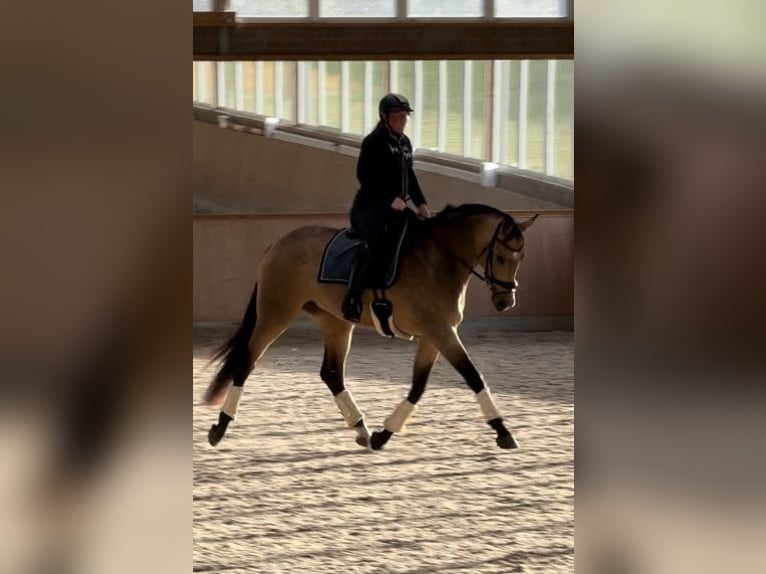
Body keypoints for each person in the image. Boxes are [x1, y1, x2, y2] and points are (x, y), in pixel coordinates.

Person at [341, 93, 431, 323]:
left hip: (397, 208)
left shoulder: (405, 143)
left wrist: (421, 202)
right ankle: (352, 298)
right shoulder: (374, 142)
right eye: (398, 116)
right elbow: (364, 176)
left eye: (405, 117)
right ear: (384, 117)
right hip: (371, 208)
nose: (402, 120)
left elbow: (409, 176)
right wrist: (390, 197)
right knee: (374, 244)